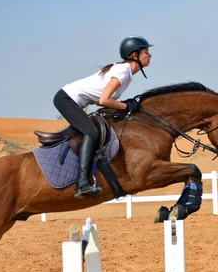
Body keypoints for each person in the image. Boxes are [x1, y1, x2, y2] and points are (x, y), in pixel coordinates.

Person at [53, 35, 153, 199]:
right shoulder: (123, 71)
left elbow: (106, 101)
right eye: (146, 52)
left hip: (71, 100)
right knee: (91, 132)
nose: (150, 55)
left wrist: (124, 104)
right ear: (135, 55)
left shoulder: (125, 72)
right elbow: (104, 100)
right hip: (66, 99)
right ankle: (82, 183)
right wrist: (126, 106)